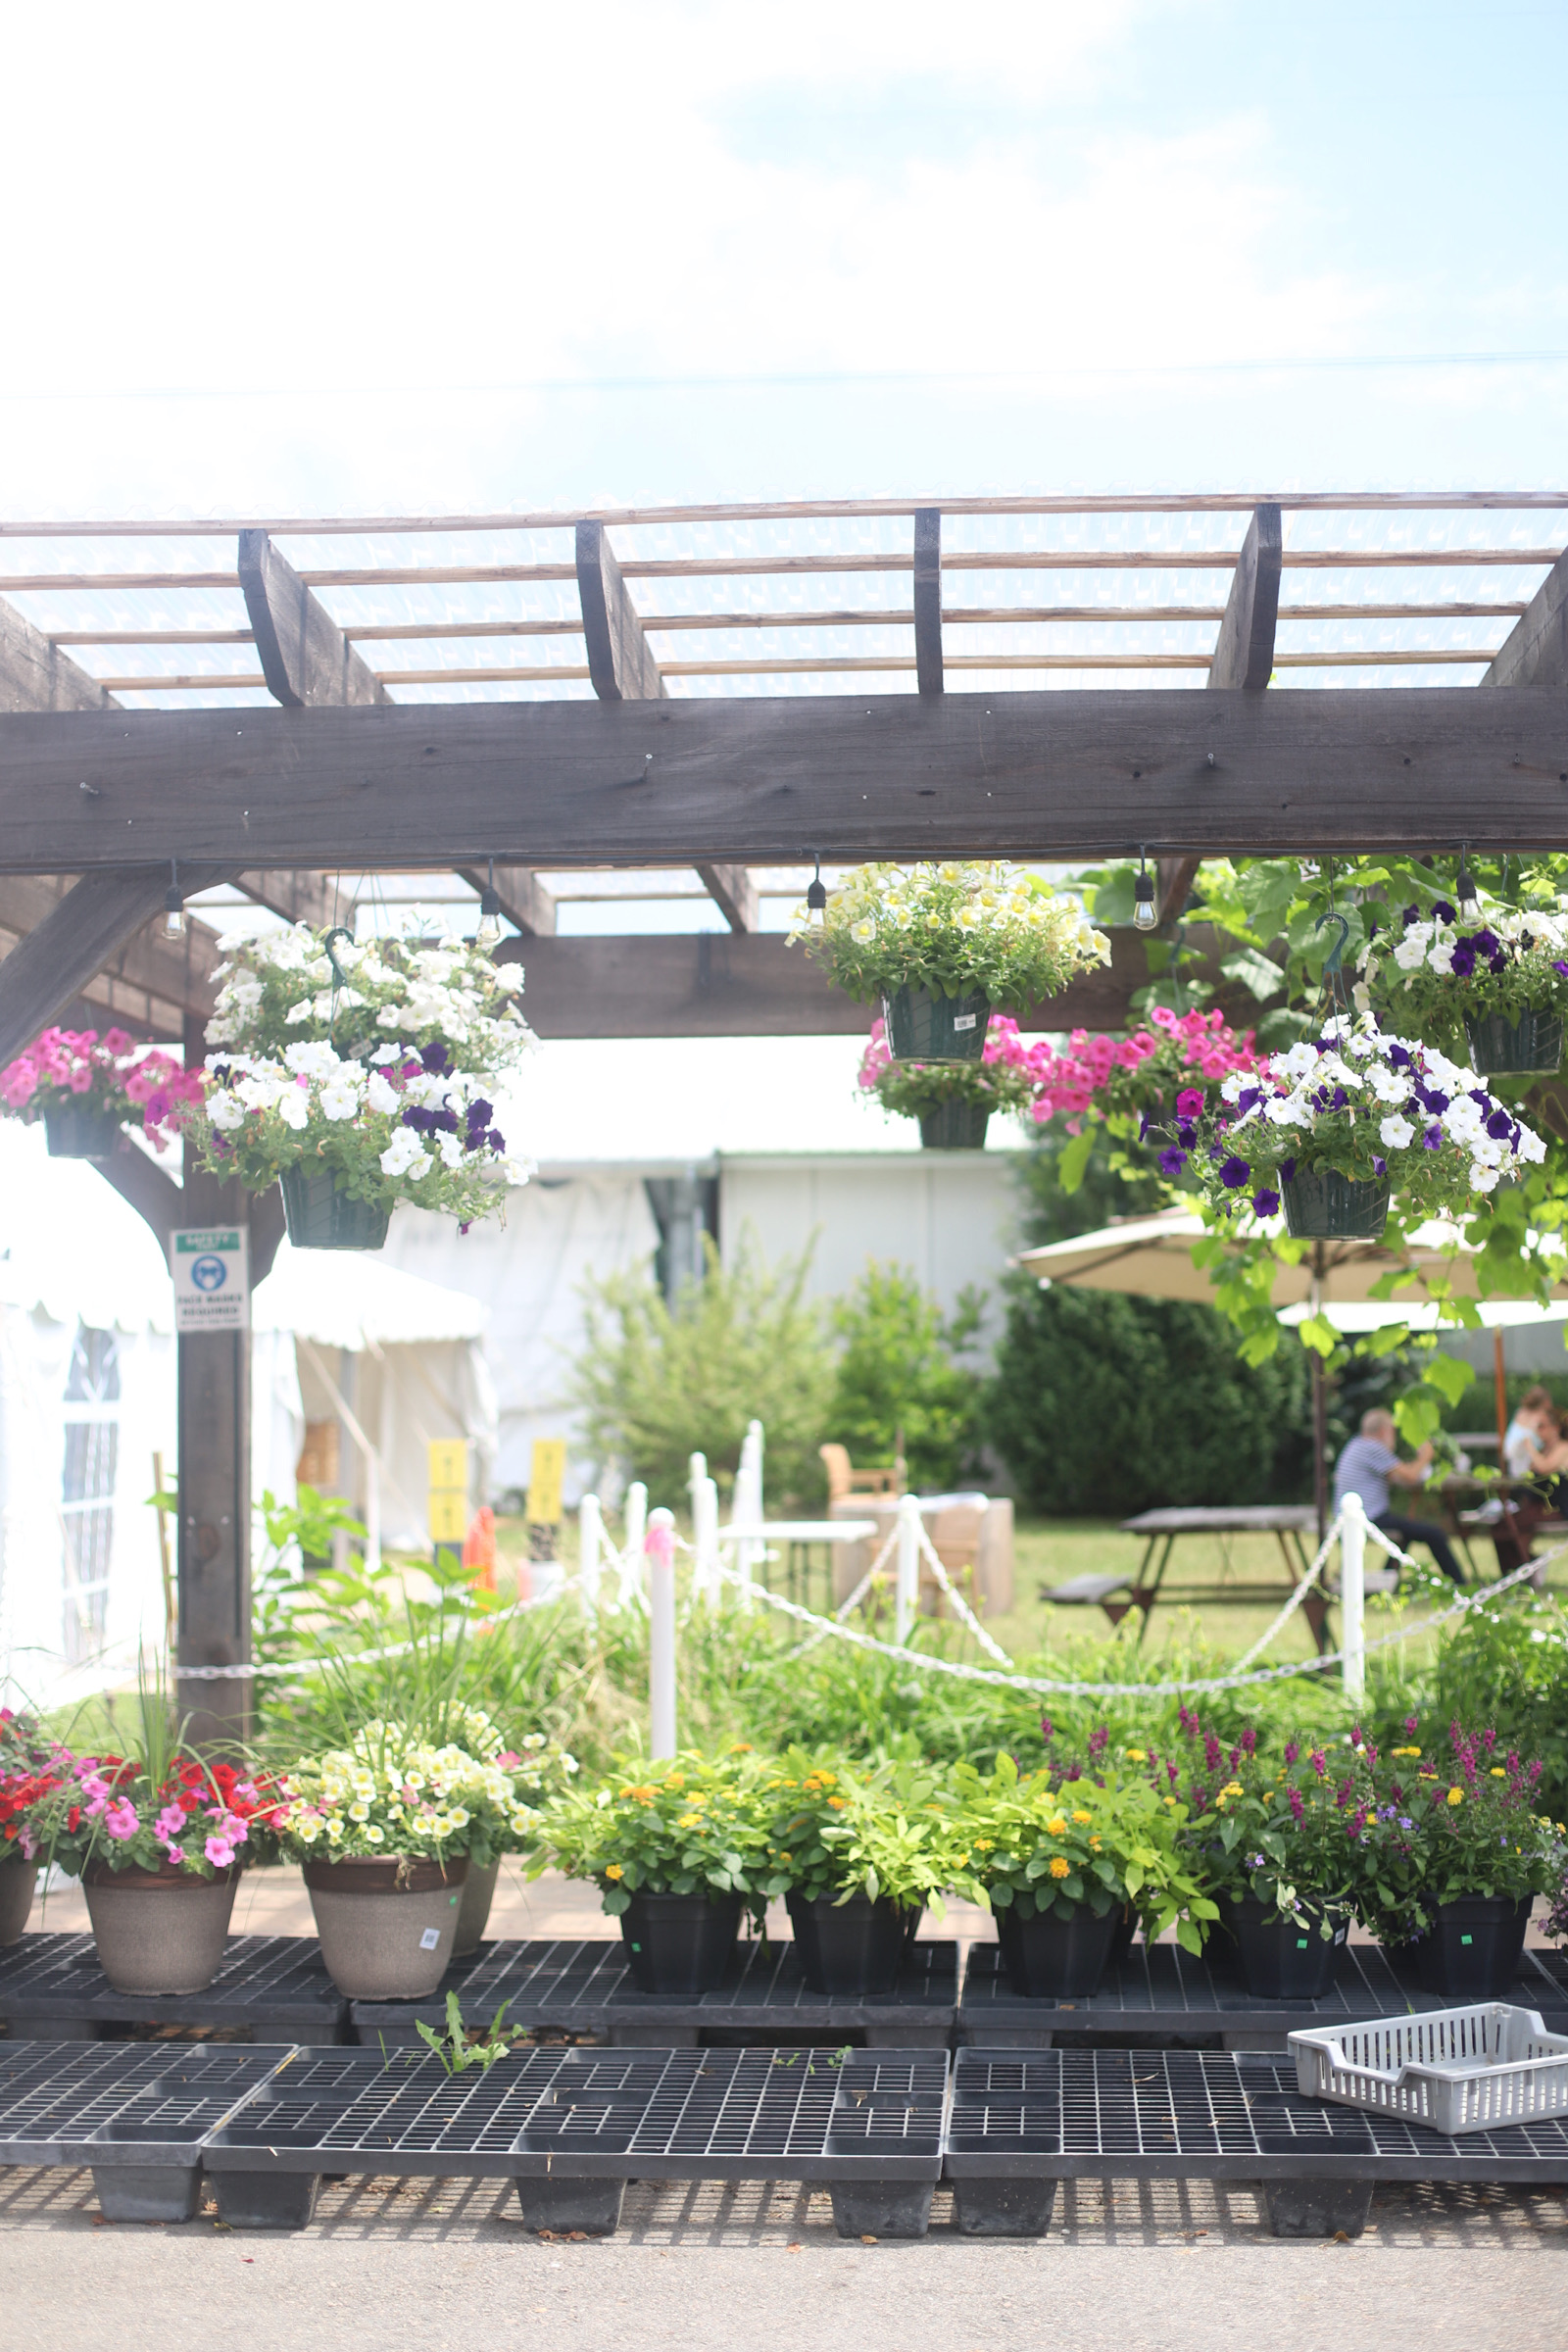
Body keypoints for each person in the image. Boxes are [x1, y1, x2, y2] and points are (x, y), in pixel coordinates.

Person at [1332, 1407, 1465, 1586]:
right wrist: (1426, 1456)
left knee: (1407, 1532)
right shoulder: (1372, 1448)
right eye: (1393, 1431)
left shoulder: (1356, 1444)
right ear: (1383, 1431)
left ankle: (1387, 1580)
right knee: (1434, 1534)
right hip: (1369, 1518)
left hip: (1356, 1516)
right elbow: (1411, 1476)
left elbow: (1399, 1476)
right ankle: (1460, 1584)